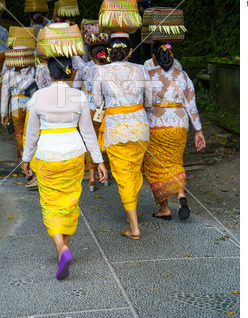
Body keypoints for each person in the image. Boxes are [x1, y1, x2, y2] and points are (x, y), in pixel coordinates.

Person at [21, 56, 108, 280]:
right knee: (70, 201)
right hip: (74, 153)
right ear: (69, 73)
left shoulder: (38, 96)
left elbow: (32, 133)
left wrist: (26, 158)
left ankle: (62, 249)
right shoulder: (79, 96)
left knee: (50, 203)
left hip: (47, 154)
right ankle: (64, 249)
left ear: (49, 75)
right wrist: (99, 161)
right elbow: (89, 132)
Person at [93, 33, 153, 240]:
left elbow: (96, 102)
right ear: (129, 52)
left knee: (123, 175)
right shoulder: (141, 69)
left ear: (109, 53)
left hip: (116, 129)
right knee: (135, 172)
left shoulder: (101, 70)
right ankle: (132, 214)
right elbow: (150, 101)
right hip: (139, 127)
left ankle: (134, 226)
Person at [143, 43, 206, 221]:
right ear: (172, 56)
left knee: (155, 166)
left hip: (156, 126)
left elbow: (145, 104)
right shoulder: (183, 76)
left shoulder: (149, 76)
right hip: (179, 126)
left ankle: (165, 209)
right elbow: (191, 106)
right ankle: (180, 195)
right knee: (176, 162)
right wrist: (198, 131)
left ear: (154, 58)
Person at [73, 45, 110, 191]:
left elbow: (75, 86)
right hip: (107, 109)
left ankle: (92, 177)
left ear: (90, 55)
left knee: (90, 140)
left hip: (89, 109)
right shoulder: (110, 68)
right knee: (104, 140)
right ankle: (106, 174)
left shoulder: (85, 68)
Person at [1, 46, 36, 159]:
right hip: (31, 107)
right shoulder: (34, 71)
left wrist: (3, 114)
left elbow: (5, 96)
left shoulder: (8, 74)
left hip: (15, 109)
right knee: (31, 134)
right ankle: (31, 163)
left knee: (19, 134)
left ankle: (23, 159)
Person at [130, 0, 152, 65]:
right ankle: (136, 66)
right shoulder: (131, 3)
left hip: (145, 28)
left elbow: (152, 14)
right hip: (135, 28)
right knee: (135, 48)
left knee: (146, 49)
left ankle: (148, 67)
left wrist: (144, 10)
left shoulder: (147, 2)